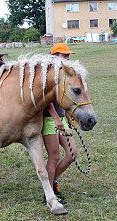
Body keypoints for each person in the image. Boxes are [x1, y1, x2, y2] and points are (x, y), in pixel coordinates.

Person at [42, 43, 78, 204]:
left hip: (61, 118)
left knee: (72, 154)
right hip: (49, 119)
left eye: (68, 55)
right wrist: (57, 119)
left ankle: (52, 182)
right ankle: (49, 193)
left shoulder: (63, 74)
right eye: (64, 56)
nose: (68, 58)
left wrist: (68, 116)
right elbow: (46, 100)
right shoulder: (48, 74)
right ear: (54, 56)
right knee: (54, 156)